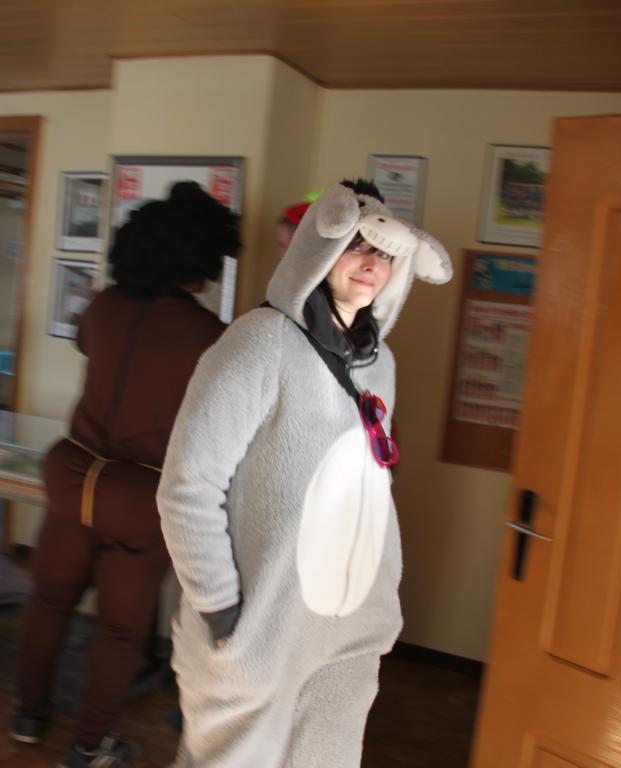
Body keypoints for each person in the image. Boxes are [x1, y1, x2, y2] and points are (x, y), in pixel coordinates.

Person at [157, 180, 452, 767]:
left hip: (348, 631)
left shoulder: (380, 365)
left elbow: (371, 481)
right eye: (357, 246)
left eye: (384, 253)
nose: (372, 265)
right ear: (321, 248)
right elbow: (188, 486)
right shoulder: (259, 342)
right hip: (259, 630)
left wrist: (382, 593)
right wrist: (221, 610)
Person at [11, 182, 240, 768]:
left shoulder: (102, 308)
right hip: (139, 496)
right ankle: (90, 745)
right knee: (119, 631)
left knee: (49, 600)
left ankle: (29, 716)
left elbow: (93, 348)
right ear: (200, 258)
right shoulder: (210, 337)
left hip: (72, 477)